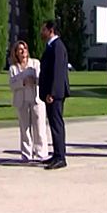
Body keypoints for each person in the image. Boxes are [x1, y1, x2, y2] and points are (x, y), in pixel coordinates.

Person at [8, 40, 49, 162]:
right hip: (22, 101)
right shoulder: (13, 68)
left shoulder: (35, 63)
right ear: (16, 53)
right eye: (20, 49)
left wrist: (34, 80)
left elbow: (41, 78)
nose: (23, 51)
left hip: (36, 99)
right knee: (24, 129)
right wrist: (23, 82)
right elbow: (12, 85)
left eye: (24, 48)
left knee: (40, 127)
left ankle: (41, 153)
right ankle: (26, 154)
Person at [38, 20, 71, 170]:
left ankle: (60, 157)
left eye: (43, 29)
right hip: (50, 93)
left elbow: (57, 72)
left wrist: (52, 92)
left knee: (57, 124)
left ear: (50, 30)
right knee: (53, 123)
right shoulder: (51, 46)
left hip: (55, 93)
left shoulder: (57, 46)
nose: (41, 32)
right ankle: (57, 154)